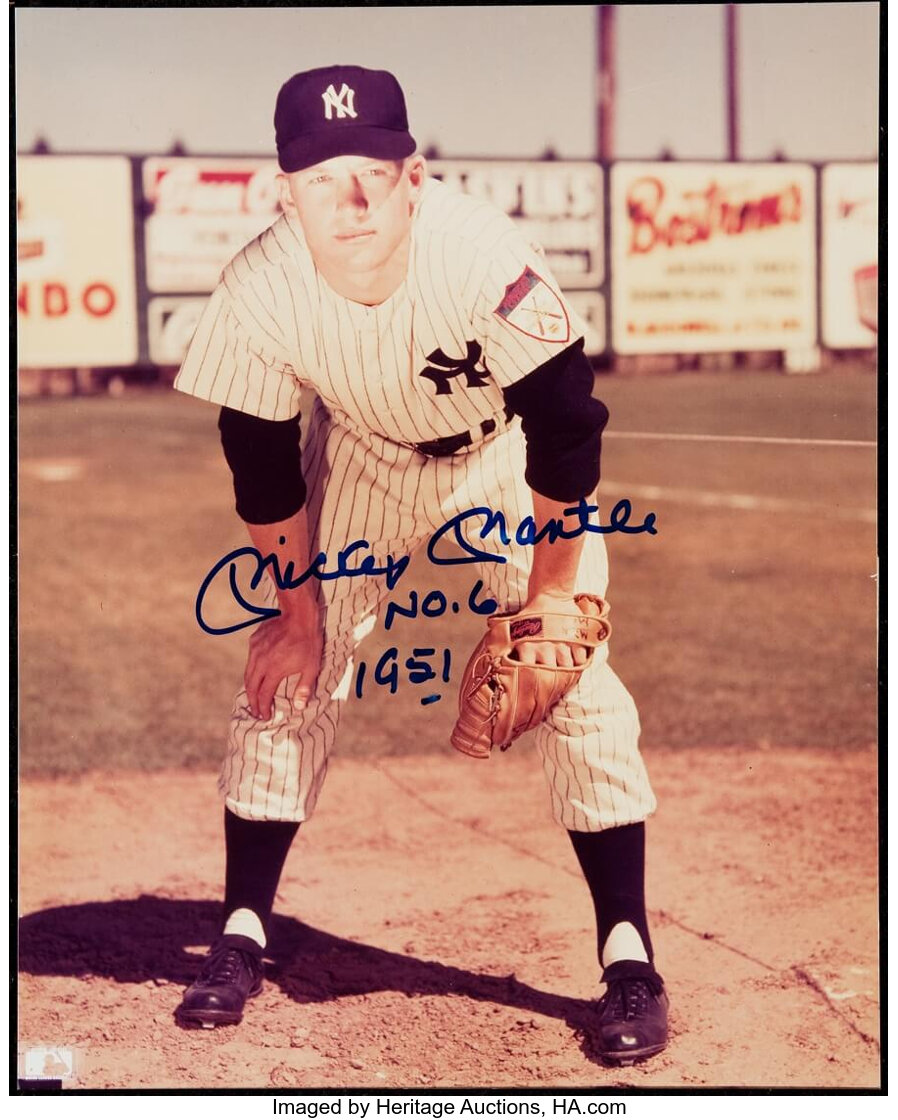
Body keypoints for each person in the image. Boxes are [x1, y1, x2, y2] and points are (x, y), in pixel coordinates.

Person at [172, 64, 668, 1066]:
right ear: (283, 192)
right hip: (356, 453)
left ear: (414, 174)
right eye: (319, 180)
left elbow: (567, 429)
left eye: (369, 173)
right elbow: (261, 465)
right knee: (285, 672)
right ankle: (240, 934)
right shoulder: (261, 285)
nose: (347, 201)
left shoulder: (480, 254)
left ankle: (630, 956)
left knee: (575, 680)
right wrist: (300, 614)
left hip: (497, 457)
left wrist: (549, 599)